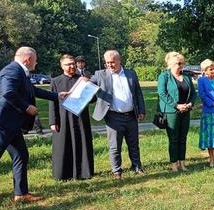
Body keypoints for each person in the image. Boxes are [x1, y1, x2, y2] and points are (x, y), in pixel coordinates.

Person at [0, 47, 69, 210]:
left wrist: (58, 96)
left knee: (21, 156)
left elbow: (32, 91)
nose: (37, 62)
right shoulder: (12, 70)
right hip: (0, 123)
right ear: (28, 60)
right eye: (35, 59)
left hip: (10, 124)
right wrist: (27, 107)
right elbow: (8, 93)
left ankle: (21, 193)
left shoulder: (21, 72)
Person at [90, 50, 146, 179]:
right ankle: (116, 171)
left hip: (131, 115)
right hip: (113, 116)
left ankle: (137, 166)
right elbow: (88, 84)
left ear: (119, 61)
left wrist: (141, 110)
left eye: (112, 62)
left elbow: (138, 93)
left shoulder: (131, 74)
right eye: (107, 62)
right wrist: (83, 80)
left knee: (134, 144)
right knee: (115, 146)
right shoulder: (100, 75)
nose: (109, 65)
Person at [49, 54, 95, 180]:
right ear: (62, 66)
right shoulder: (56, 81)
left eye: (72, 64)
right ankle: (63, 174)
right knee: (63, 145)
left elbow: (93, 99)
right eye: (68, 64)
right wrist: (53, 121)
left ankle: (84, 172)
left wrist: (88, 85)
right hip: (63, 118)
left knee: (82, 143)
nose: (71, 66)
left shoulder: (82, 79)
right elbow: (52, 102)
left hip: (80, 117)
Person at [157, 51, 196, 172]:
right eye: (179, 63)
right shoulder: (164, 76)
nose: (181, 66)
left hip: (186, 111)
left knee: (183, 138)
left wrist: (190, 104)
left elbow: (193, 93)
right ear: (171, 64)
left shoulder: (186, 77)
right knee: (174, 138)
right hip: (171, 112)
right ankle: (174, 164)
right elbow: (162, 93)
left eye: (182, 63)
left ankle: (182, 163)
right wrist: (176, 105)